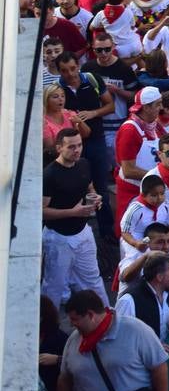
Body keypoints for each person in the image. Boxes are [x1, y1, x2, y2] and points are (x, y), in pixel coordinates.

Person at [58, 290, 169, 391]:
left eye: (75, 319)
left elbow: (159, 367)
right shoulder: (73, 339)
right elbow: (65, 379)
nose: (71, 324)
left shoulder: (136, 330)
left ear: (90, 315)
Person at [43, 128, 106, 309]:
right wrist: (72, 212)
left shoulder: (84, 164)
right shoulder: (50, 175)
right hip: (59, 238)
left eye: (79, 145)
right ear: (59, 148)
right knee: (54, 286)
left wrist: (96, 198)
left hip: (83, 233)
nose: (77, 150)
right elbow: (41, 211)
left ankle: (106, 317)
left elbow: (89, 186)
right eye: (71, 147)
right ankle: (48, 328)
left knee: (93, 279)